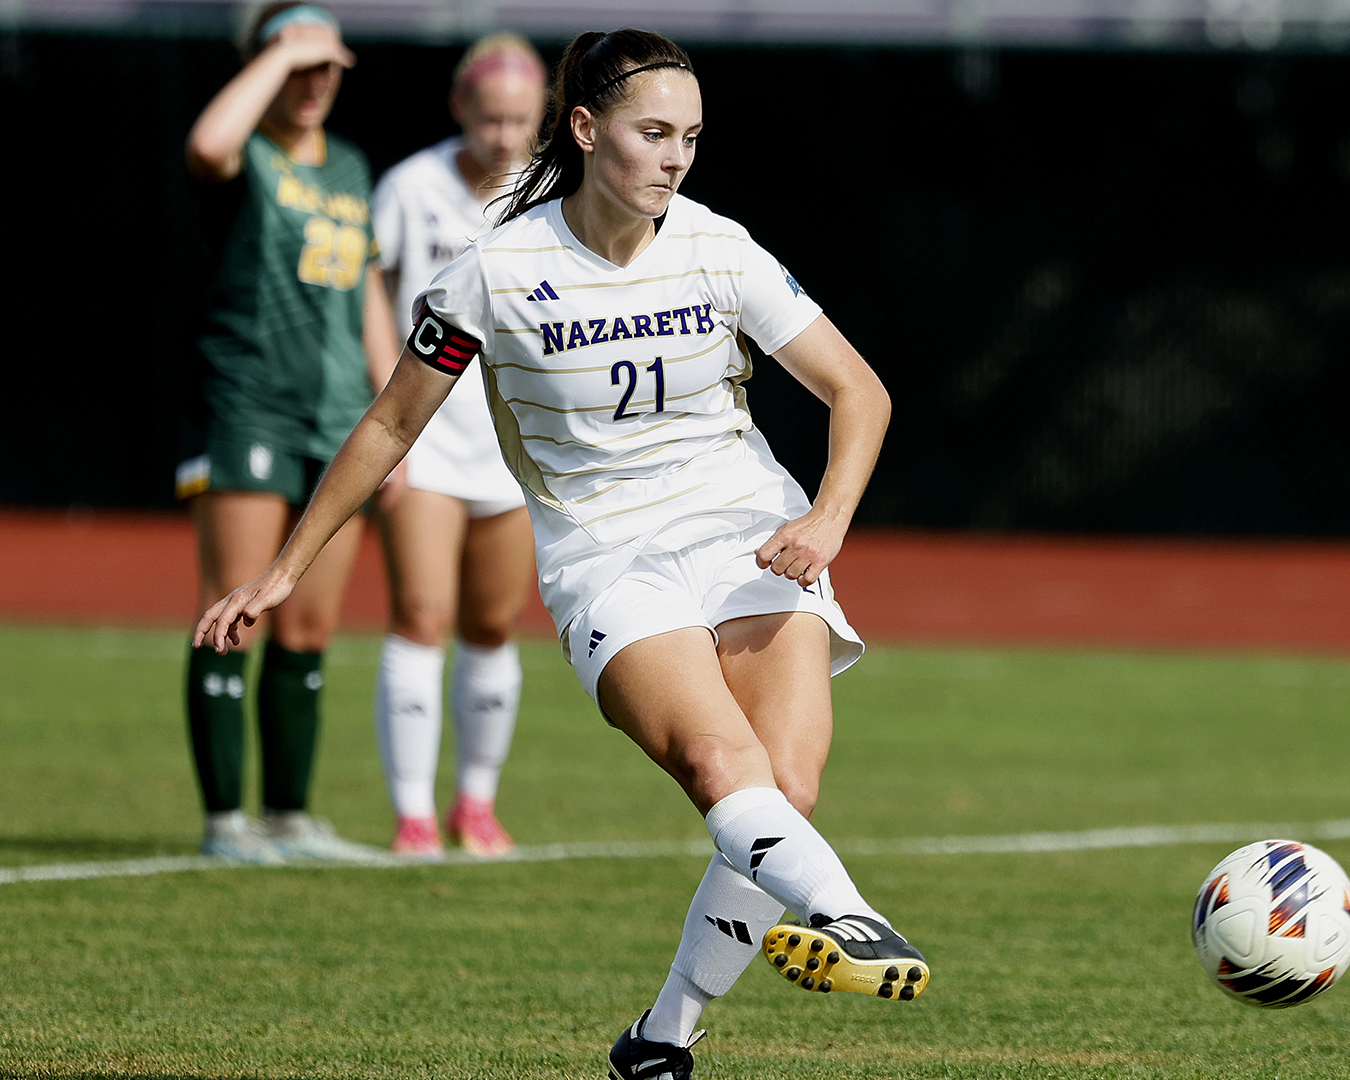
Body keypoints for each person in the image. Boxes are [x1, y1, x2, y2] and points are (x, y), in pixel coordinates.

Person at [196, 26, 928, 1076]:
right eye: (653, 133)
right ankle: (850, 914)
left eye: (690, 137)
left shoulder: (719, 246)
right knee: (722, 768)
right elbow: (391, 426)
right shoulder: (494, 270)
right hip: (607, 558)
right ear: (586, 131)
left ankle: (661, 1039)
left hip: (747, 532)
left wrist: (826, 518)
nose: (675, 158)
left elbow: (861, 391)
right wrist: (283, 571)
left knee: (786, 794)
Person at [178, 1, 385, 864]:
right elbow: (208, 146)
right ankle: (227, 820)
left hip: (336, 417)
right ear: (263, 64)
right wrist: (276, 53)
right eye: (298, 63)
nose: (316, 81)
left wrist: (388, 412)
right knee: (236, 609)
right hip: (251, 402)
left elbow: (368, 292)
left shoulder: (348, 165)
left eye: (328, 64)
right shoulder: (250, 151)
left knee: (308, 628)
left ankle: (290, 817)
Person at [367, 33, 546, 859]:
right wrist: (389, 417)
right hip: (428, 441)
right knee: (422, 614)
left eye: (521, 120)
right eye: (491, 118)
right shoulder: (410, 185)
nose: (505, 137)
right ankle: (412, 817)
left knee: (491, 623)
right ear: (459, 110)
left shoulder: (550, 194)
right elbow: (374, 285)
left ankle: (476, 806)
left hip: (511, 445)